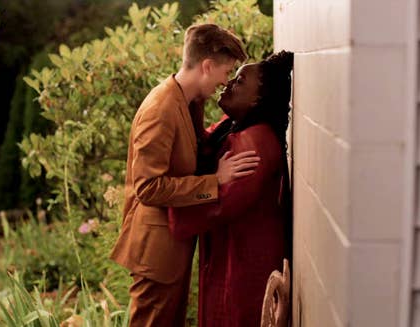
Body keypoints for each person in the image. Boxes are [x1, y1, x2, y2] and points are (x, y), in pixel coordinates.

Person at [109, 24, 260, 327]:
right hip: (155, 252)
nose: (225, 81)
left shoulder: (188, 100)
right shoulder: (160, 109)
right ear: (207, 66)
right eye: (225, 71)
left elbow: (191, 149)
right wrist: (215, 181)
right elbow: (148, 188)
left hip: (172, 246)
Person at [169, 51, 295, 327]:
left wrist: (173, 204)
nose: (228, 84)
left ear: (257, 99)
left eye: (239, 82)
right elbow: (203, 143)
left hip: (244, 261)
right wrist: (196, 99)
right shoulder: (233, 126)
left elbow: (221, 205)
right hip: (230, 251)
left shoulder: (253, 144)